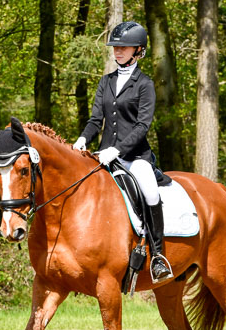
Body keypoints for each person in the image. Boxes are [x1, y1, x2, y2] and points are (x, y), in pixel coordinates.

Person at [73, 20, 173, 283]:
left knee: (150, 191)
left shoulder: (145, 84)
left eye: (123, 47)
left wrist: (117, 150)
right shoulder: (106, 82)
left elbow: (142, 126)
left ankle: (159, 257)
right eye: (115, 47)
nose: (117, 51)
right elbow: (96, 120)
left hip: (135, 157)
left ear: (138, 50)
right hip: (104, 155)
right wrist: (83, 139)